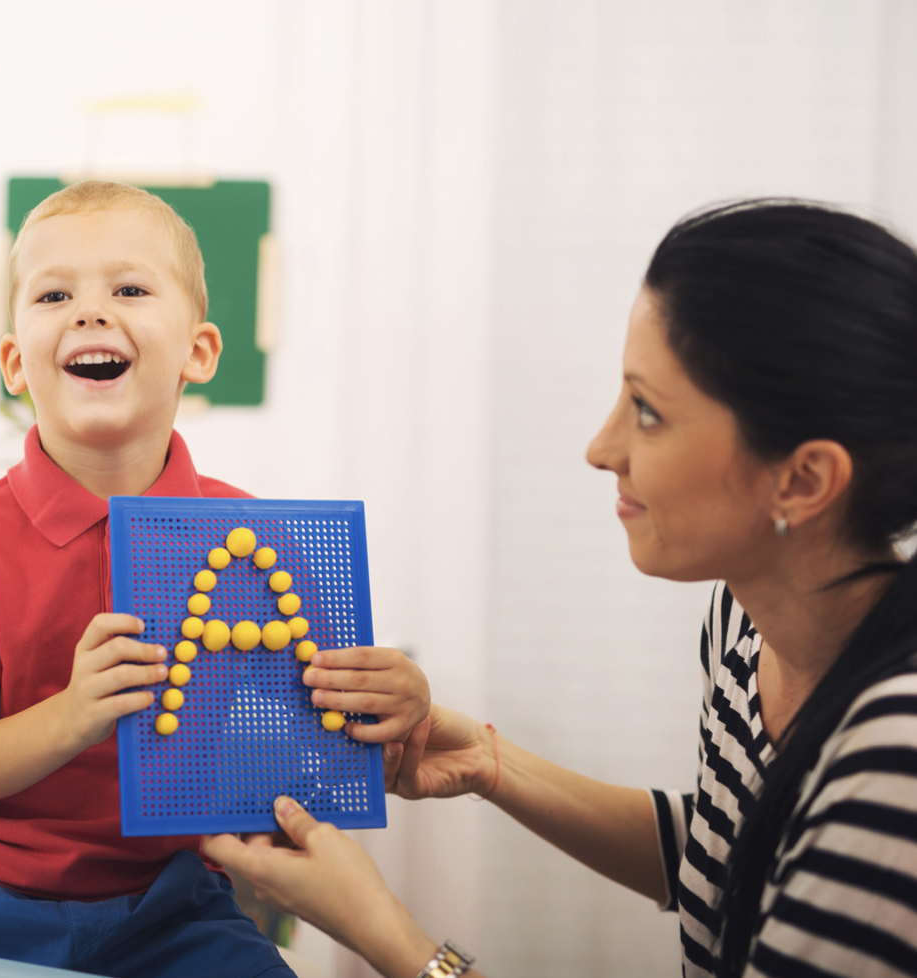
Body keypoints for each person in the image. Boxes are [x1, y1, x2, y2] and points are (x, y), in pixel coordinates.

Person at [206, 199, 917, 978]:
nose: (600, 447)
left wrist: (384, 933)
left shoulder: (895, 766)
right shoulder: (744, 625)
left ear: (804, 480)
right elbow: (727, 852)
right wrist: (490, 762)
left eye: (647, 411)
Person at [0, 180, 431, 978]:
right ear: (15, 363)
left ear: (198, 353)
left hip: (168, 907)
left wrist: (391, 708)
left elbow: (320, 743)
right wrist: (72, 716)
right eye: (55, 294)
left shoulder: (251, 540)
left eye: (129, 289)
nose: (90, 313)